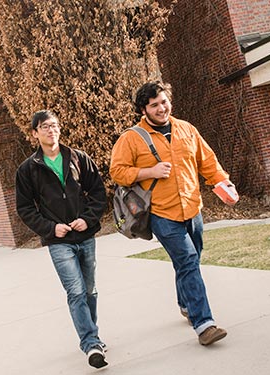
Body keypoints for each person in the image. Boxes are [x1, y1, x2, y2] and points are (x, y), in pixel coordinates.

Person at [110, 82, 238, 346]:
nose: (161, 108)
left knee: (190, 261)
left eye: (164, 101)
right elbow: (118, 171)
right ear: (143, 109)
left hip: (192, 207)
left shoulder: (186, 129)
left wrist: (223, 183)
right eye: (154, 104)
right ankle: (204, 325)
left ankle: (186, 303)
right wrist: (149, 172)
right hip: (161, 212)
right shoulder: (131, 138)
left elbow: (208, 162)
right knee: (188, 260)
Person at [16, 110, 109, 368]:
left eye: (54, 125)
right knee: (76, 291)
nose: (51, 130)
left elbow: (99, 192)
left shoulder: (78, 158)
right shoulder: (28, 169)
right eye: (45, 127)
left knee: (89, 289)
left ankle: (93, 335)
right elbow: (25, 208)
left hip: (85, 235)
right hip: (59, 242)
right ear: (35, 133)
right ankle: (91, 344)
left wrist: (88, 219)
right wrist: (50, 228)